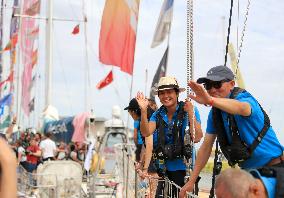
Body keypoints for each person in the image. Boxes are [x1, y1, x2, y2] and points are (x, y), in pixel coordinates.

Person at [179, 65, 284, 197]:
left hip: (275, 169)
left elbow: (242, 108)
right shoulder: (214, 115)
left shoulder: (245, 99)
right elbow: (206, 147)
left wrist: (210, 100)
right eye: (208, 86)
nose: (212, 90)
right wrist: (192, 181)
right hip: (250, 174)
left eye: (217, 84)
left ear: (232, 84)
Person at [136, 76, 203, 197]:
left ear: (177, 93)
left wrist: (191, 113)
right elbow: (146, 132)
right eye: (162, 93)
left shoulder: (189, 109)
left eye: (169, 92)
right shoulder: (157, 115)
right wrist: (144, 111)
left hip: (185, 170)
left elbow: (197, 137)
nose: (165, 96)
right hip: (165, 171)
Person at [125, 98, 157, 197]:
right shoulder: (146, 118)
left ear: (134, 111)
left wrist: (145, 169)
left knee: (153, 183)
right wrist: (141, 163)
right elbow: (147, 146)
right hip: (155, 152)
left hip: (158, 155)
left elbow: (149, 146)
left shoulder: (147, 119)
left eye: (130, 111)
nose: (130, 114)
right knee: (152, 186)